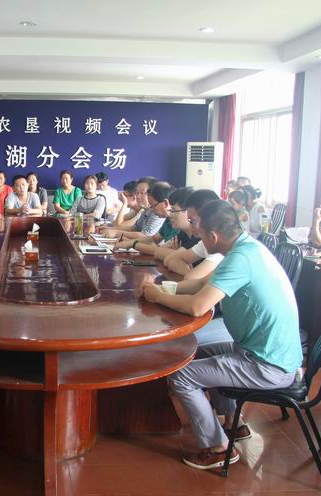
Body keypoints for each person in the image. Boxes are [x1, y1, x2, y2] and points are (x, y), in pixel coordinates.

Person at [137, 200, 302, 470]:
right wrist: (163, 288)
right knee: (188, 355)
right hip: (261, 351)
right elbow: (202, 284)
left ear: (213, 236)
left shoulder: (241, 259)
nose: (198, 237)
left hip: (267, 364)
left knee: (181, 375)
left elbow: (198, 305)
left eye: (200, 233)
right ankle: (234, 423)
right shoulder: (246, 248)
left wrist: (158, 296)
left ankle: (217, 447)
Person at [161, 189, 224, 279]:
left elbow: (191, 278)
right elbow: (170, 261)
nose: (190, 225)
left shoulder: (221, 244)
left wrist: (192, 276)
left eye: (192, 220)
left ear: (207, 217)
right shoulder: (204, 241)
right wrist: (192, 275)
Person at [125, 185, 198, 258]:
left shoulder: (198, 237)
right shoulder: (183, 234)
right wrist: (172, 254)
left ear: (188, 211)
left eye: (173, 210)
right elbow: (158, 251)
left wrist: (133, 244)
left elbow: (170, 257)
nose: (170, 214)